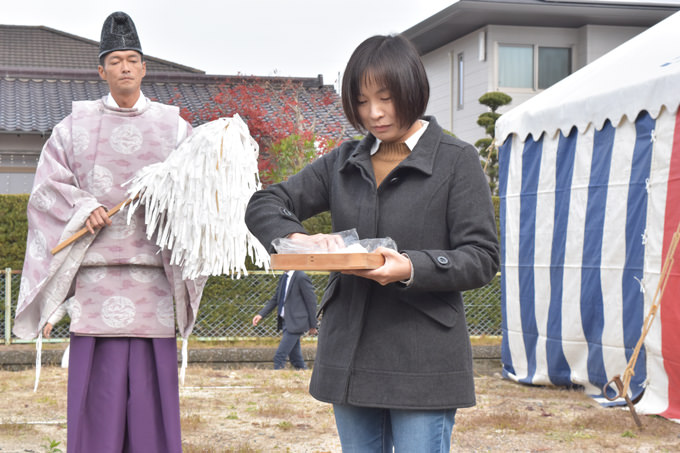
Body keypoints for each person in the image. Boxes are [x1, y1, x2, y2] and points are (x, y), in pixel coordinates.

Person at [245, 34, 499, 452]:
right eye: (362, 101)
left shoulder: (457, 160)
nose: (375, 113)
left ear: (412, 89)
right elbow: (266, 202)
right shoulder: (343, 162)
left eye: (386, 97)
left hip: (423, 355)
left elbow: (482, 257)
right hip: (351, 351)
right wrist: (298, 237)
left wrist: (411, 267)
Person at [13, 11, 205, 452]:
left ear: (143, 67)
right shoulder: (72, 127)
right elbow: (46, 189)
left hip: (152, 280)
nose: (124, 66)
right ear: (101, 69)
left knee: (151, 406)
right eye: (115, 59)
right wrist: (84, 208)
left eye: (132, 59)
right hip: (96, 282)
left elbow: (198, 197)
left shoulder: (176, 129)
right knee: (95, 403)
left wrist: (167, 204)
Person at [252, 270, 319, 369]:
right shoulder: (284, 277)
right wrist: (261, 314)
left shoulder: (301, 276)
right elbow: (276, 298)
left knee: (280, 356)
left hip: (297, 322)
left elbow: (311, 301)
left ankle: (277, 376)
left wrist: (313, 324)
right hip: (286, 321)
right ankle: (304, 372)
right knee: (295, 358)